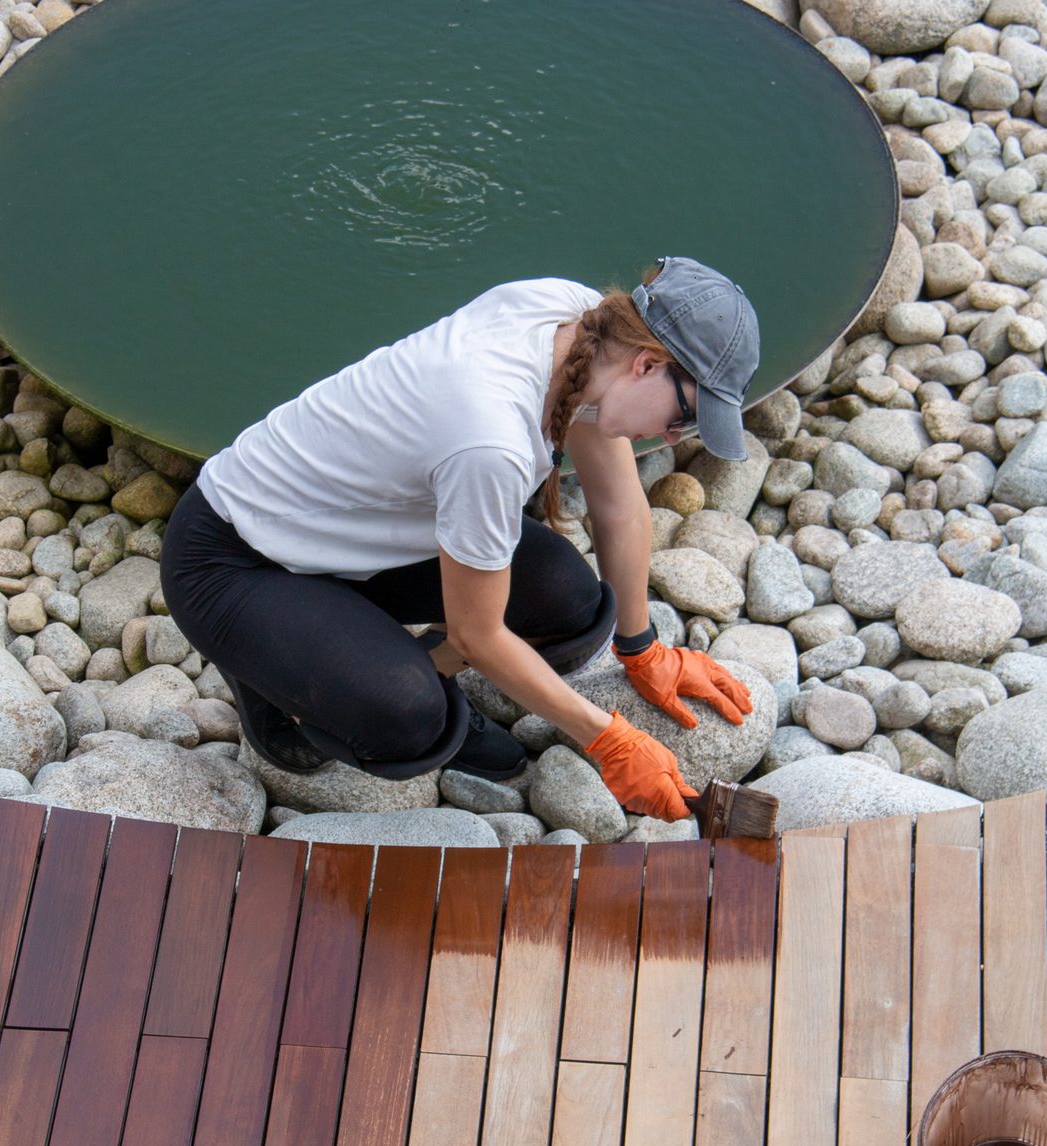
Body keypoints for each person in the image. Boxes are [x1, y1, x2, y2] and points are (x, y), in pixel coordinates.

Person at [160, 257, 761, 822]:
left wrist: (642, 649)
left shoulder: (577, 320)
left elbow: (619, 506)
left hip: (352, 535)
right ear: (648, 362)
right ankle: (280, 692)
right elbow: (479, 634)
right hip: (232, 560)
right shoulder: (489, 437)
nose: (676, 435)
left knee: (569, 602)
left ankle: (352, 645)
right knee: (408, 718)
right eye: (685, 415)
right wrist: (611, 741)